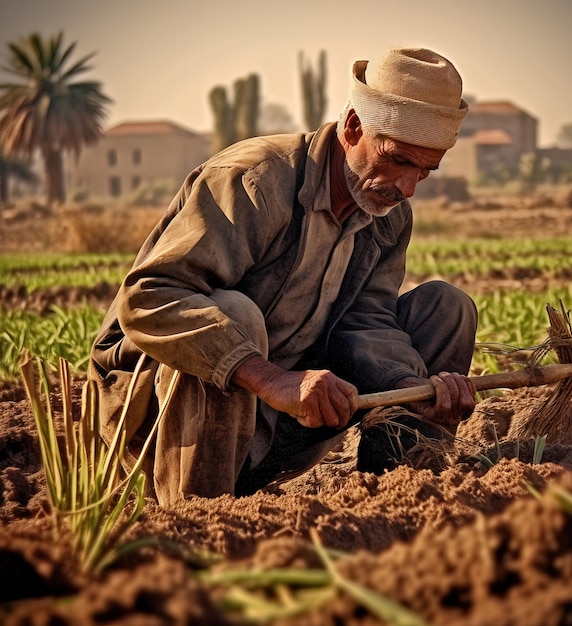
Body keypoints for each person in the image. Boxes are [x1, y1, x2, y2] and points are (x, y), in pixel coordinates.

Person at [90, 47, 478, 506]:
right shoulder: (253, 181)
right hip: (164, 421)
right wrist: (272, 380)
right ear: (353, 128)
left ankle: (398, 499)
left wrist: (406, 388)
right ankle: (200, 518)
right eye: (398, 161)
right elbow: (149, 297)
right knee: (235, 314)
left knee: (447, 308)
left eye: (425, 171)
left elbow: (366, 320)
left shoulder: (387, 215)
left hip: (290, 416)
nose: (407, 188)